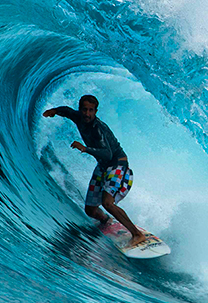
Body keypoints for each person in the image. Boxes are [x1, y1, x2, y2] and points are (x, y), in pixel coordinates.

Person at [42, 95, 148, 248]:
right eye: (84, 110)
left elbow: (108, 154)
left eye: (91, 110)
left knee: (107, 203)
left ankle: (137, 234)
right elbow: (66, 111)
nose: (87, 114)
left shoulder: (99, 129)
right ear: (80, 109)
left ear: (96, 111)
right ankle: (106, 221)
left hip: (117, 165)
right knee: (90, 210)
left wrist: (85, 149)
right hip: (103, 167)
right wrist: (54, 110)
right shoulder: (78, 117)